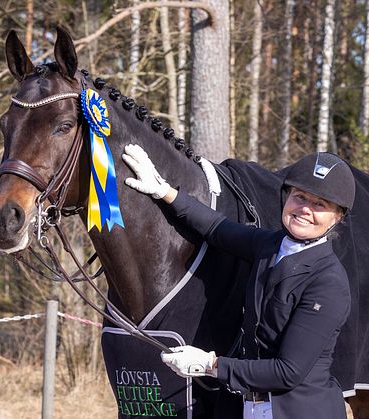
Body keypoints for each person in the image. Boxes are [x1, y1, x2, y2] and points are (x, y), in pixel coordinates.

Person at [122, 145, 353, 419]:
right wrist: (164, 191)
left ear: (337, 217)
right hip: (246, 407)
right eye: (299, 197)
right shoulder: (270, 245)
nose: (305, 209)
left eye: (320, 204)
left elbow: (287, 372)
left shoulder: (327, 283)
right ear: (286, 197)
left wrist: (209, 364)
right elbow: (217, 228)